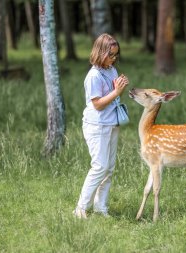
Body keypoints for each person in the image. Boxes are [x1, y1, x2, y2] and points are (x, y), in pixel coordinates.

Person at [74, 33, 129, 219]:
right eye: (111, 55)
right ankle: (80, 208)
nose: (114, 59)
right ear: (100, 52)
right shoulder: (93, 76)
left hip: (112, 123)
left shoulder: (111, 70)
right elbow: (98, 104)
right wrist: (117, 91)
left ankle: (100, 207)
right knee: (99, 166)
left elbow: (113, 95)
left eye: (116, 55)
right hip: (97, 126)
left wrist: (119, 87)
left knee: (109, 167)